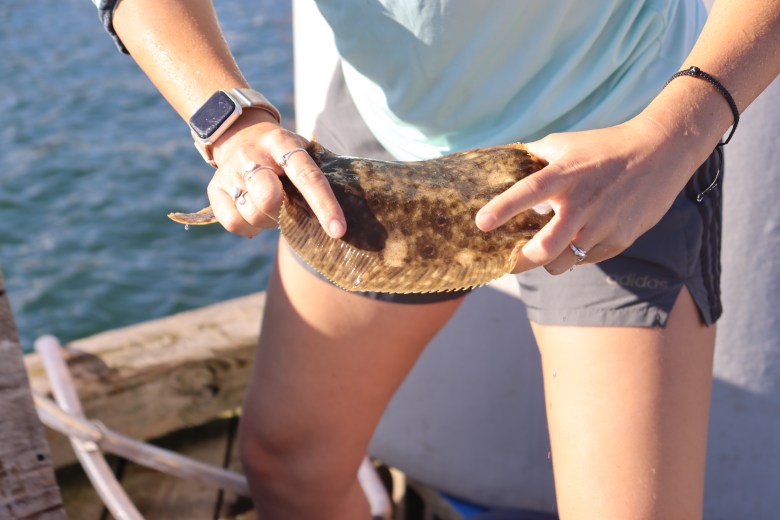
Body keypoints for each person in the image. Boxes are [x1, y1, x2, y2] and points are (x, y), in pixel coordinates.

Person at [92, 1, 780, 518]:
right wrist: (232, 123)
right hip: (383, 142)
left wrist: (675, 134)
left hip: (618, 143)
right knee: (289, 466)